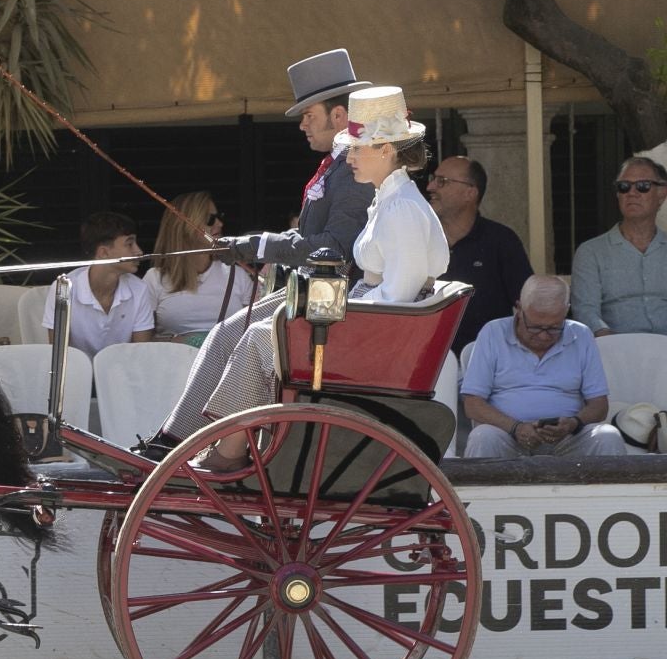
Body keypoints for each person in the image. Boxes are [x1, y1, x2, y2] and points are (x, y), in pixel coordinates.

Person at [140, 49, 378, 458]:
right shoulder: (337, 167)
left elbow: (334, 249)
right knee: (223, 334)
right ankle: (175, 440)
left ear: (339, 116)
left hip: (332, 301)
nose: (302, 124)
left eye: (309, 114)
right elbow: (312, 236)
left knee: (238, 337)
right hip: (313, 293)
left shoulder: (354, 172)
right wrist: (251, 244)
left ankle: (190, 447)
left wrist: (258, 246)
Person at [199, 85, 451, 471]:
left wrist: (333, 310)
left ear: (386, 149)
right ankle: (235, 446)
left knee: (260, 337)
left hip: (376, 342)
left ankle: (230, 453)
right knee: (262, 332)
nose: (349, 158)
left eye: (357, 148)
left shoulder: (401, 209)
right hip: (368, 327)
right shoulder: (389, 199)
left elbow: (397, 300)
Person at [461, 275, 627, 459]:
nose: (543, 336)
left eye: (554, 328)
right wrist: (516, 428)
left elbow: (599, 405)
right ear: (519, 309)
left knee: (607, 436)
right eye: (535, 327)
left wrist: (573, 423)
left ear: (566, 311)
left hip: (568, 438)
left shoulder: (581, 335)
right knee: (483, 437)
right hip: (507, 435)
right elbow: (472, 404)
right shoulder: (493, 333)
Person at [427, 155, 533, 352]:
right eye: (433, 179)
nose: (430, 187)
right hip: (425, 358)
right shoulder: (417, 239)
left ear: (470, 193)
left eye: (442, 181)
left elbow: (528, 306)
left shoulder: (501, 241)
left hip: (489, 359)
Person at [569, 146, 667, 336]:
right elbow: (586, 311)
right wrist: (612, 343)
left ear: (662, 194)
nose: (632, 193)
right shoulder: (591, 252)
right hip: (614, 347)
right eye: (624, 186)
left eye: (643, 186)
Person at [43, 211, 157, 356]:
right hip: (77, 369)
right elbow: (59, 355)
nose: (139, 251)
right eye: (129, 244)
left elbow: (141, 353)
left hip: (123, 368)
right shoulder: (64, 289)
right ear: (103, 253)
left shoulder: (139, 289)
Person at [141, 191, 239, 341]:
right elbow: (141, 342)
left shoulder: (236, 273)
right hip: (173, 355)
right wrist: (177, 341)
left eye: (220, 217)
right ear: (184, 225)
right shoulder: (154, 278)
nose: (219, 224)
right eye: (210, 219)